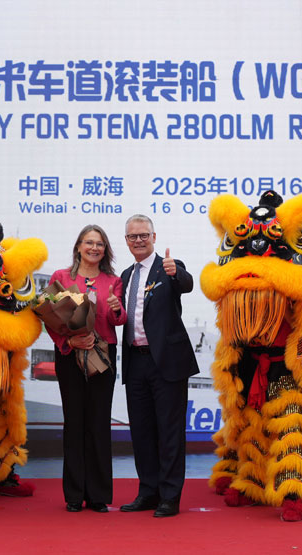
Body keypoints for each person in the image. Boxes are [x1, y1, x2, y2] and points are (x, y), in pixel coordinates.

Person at [119, 214, 199, 518]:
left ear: (154, 236)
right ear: (126, 241)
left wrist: (175, 271)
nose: (138, 241)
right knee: (141, 432)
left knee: (169, 433)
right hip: (135, 361)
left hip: (167, 362)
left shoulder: (168, 266)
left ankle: (169, 497)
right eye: (132, 237)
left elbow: (186, 283)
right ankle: (148, 492)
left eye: (144, 235)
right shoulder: (126, 275)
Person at [47, 225, 125, 513]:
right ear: (78, 246)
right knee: (75, 423)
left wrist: (117, 308)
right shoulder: (60, 278)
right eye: (89, 242)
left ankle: (98, 495)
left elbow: (118, 321)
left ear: (105, 250)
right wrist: (69, 340)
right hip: (69, 355)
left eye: (100, 244)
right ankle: (73, 494)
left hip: (102, 356)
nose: (94, 248)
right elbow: (49, 318)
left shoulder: (114, 281)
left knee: (99, 424)